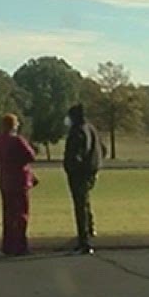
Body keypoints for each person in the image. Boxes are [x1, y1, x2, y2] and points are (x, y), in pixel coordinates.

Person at [0, 113, 38, 257]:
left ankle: (8, 245)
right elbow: (31, 155)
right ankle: (20, 245)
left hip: (5, 181)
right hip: (19, 181)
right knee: (21, 214)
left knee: (8, 215)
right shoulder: (17, 140)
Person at [62, 102, 102, 256]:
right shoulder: (91, 129)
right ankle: (90, 229)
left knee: (80, 205)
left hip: (79, 173)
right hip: (91, 171)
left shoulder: (77, 132)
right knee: (85, 202)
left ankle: (84, 241)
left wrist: (71, 167)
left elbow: (76, 154)